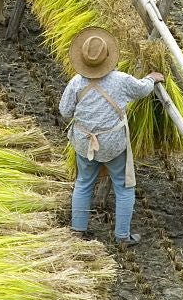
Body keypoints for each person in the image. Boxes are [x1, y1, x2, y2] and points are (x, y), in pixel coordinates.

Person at [59, 26, 164, 246]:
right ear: (108, 58)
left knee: (84, 182)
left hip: (84, 141)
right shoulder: (121, 80)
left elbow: (65, 111)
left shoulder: (76, 82)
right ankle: (122, 237)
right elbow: (142, 90)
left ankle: (78, 230)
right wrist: (151, 79)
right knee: (124, 187)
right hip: (113, 143)